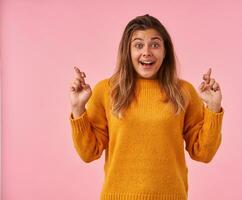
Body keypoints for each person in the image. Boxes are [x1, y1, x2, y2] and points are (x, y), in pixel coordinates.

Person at [69, 14, 224, 200]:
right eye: (138, 45)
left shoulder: (184, 91)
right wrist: (78, 109)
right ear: (128, 51)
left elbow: (203, 153)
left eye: (155, 44)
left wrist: (213, 108)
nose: (147, 52)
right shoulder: (106, 90)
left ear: (165, 51)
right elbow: (88, 153)